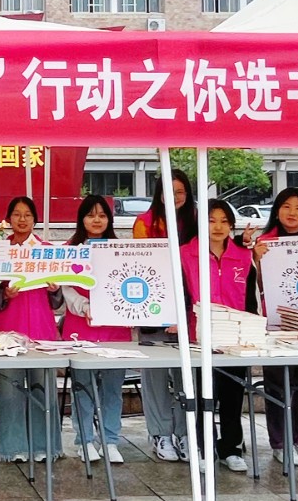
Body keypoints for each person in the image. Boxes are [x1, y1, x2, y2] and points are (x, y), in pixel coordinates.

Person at [0, 196, 64, 463]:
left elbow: (58, 301)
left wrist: (55, 289)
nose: (22, 219)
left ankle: (46, 446)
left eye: (28, 215)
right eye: (17, 214)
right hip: (9, 331)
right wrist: (4, 294)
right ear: (8, 219)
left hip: (42, 330)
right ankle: (11, 448)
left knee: (44, 389)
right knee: (10, 389)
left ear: (34, 220)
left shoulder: (47, 251)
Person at [250, 186, 298, 466]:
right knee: (277, 385)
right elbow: (257, 287)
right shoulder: (264, 243)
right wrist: (256, 260)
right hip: (277, 323)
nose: (292, 213)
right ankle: (281, 442)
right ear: (277, 211)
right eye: (286, 207)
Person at [180, 199, 255, 473]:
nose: (218, 227)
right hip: (199, 335)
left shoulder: (243, 256)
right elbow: (181, 293)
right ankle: (203, 447)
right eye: (211, 220)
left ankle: (231, 448)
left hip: (235, 336)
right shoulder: (186, 254)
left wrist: (251, 329)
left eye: (224, 221)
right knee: (202, 395)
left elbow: (250, 299)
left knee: (233, 394)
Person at [133, 170, 198, 462]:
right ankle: (160, 433)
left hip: (190, 309)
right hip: (153, 308)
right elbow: (141, 264)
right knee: (155, 375)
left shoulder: (197, 220)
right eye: (169, 191)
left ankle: (186, 433)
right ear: (159, 194)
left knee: (187, 376)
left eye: (180, 191)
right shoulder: (145, 223)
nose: (175, 197)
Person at [62, 195, 128, 465]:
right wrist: (85, 306)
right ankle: (85, 440)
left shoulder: (121, 250)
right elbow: (65, 287)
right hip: (81, 328)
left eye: (102, 215)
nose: (97, 220)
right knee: (83, 388)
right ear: (82, 219)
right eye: (91, 215)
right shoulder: (69, 250)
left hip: (115, 331)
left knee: (113, 389)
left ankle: (110, 440)